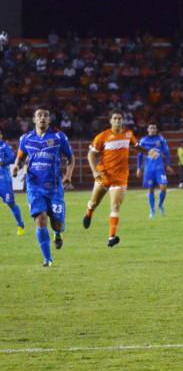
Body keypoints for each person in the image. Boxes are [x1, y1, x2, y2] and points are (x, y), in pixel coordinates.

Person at [11, 109, 74, 266]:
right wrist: (16, 167)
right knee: (40, 219)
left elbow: (71, 158)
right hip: (34, 186)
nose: (43, 118)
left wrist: (68, 176)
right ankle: (47, 259)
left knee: (57, 223)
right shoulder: (26, 139)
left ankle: (57, 233)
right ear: (34, 119)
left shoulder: (59, 137)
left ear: (49, 120)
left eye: (46, 116)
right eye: (39, 116)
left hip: (54, 186)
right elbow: (20, 157)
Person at [84, 111, 144, 247]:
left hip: (121, 176)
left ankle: (111, 237)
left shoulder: (128, 134)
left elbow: (136, 146)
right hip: (104, 174)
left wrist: (148, 152)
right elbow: (90, 155)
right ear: (110, 121)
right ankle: (89, 212)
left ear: (122, 121)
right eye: (115, 118)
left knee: (115, 206)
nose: (117, 120)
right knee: (94, 203)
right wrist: (94, 172)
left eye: (120, 118)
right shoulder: (102, 136)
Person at [136, 122, 172, 218]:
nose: (152, 129)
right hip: (149, 169)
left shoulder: (161, 139)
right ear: (148, 129)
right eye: (150, 128)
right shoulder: (143, 140)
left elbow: (167, 152)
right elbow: (139, 155)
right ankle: (152, 210)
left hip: (160, 169)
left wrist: (168, 165)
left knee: (163, 187)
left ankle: (160, 205)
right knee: (151, 189)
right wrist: (139, 168)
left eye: (154, 128)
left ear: (156, 130)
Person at [0, 129, 24, 235]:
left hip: (3, 180)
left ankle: (20, 224)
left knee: (10, 203)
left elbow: (12, 158)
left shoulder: (5, 147)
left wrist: (3, 162)